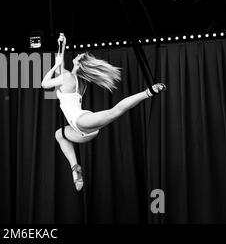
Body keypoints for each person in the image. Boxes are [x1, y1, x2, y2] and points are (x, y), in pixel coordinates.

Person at [41, 34, 166, 191]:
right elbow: (61, 66)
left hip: (82, 121)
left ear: (79, 63)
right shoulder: (77, 80)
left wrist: (55, 65)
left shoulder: (67, 77)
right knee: (59, 135)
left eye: (79, 56)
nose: (78, 54)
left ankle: (148, 92)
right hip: (81, 129)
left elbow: (44, 84)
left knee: (114, 112)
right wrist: (62, 45)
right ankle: (75, 169)